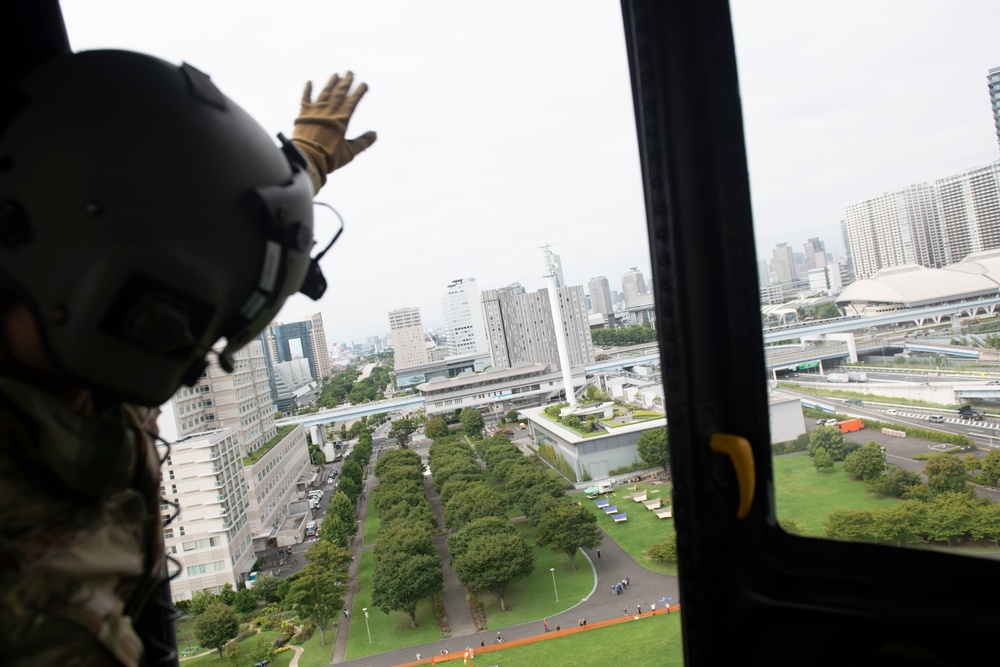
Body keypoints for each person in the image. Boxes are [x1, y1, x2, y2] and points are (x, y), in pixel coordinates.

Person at [0, 48, 375, 666]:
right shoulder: (47, 614)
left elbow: (171, 206)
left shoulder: (59, 355)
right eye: (185, 328)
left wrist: (303, 164)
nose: (188, 359)